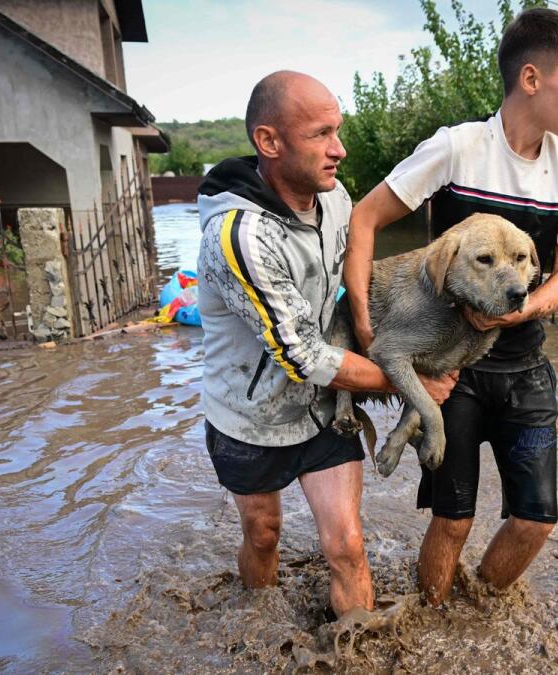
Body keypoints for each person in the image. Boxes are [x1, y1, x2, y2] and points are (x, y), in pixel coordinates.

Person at [344, 8, 558, 605]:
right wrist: (363, 329)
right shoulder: (457, 148)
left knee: (535, 520)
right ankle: (432, 622)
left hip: (525, 366)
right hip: (449, 369)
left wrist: (520, 310)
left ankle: (478, 611)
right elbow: (364, 218)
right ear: (532, 79)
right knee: (452, 521)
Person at [196, 71, 458, 617]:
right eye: (321, 134)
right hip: (250, 418)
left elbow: (366, 275)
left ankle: (356, 651)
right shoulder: (240, 237)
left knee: (347, 546)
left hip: (322, 410)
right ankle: (259, 627)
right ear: (269, 142)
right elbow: (302, 357)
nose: (339, 149)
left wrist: (430, 326)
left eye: (338, 130)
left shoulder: (334, 196)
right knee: (264, 535)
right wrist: (411, 383)